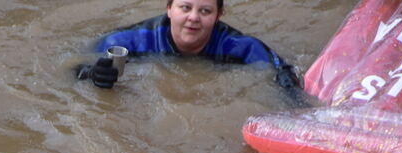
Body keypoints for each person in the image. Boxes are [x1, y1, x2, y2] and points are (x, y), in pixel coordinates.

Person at [77, 0, 303, 97]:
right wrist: (92, 75)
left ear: (218, 15)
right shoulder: (129, 42)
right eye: (185, 7)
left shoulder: (240, 47)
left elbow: (281, 71)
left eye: (205, 11)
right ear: (169, 9)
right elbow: (74, 67)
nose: (193, 18)